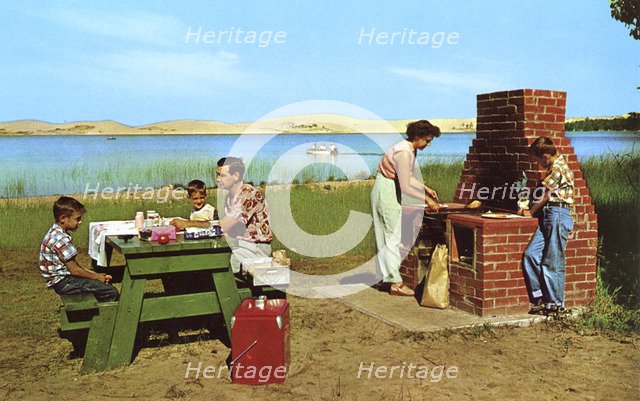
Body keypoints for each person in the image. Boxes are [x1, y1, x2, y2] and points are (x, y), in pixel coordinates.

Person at [371, 120, 441, 296]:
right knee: (392, 236)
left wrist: (425, 188)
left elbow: (407, 176)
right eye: (427, 140)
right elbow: (406, 186)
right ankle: (396, 284)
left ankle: (387, 277)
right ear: (417, 137)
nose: (428, 144)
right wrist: (427, 200)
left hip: (388, 188)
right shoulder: (403, 152)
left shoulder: (409, 149)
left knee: (389, 235)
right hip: (386, 189)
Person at [519, 136, 574, 315]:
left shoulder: (558, 168)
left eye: (537, 160)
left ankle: (556, 304)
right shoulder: (553, 167)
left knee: (552, 261)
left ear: (545, 156)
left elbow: (545, 196)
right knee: (530, 255)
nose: (538, 163)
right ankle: (541, 297)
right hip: (549, 216)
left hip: (557, 214)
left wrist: (530, 211)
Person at [39, 196, 118, 302]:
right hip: (64, 282)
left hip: (61, 280)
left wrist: (95, 275)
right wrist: (98, 277)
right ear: (63, 218)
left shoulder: (54, 232)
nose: (80, 222)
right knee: (110, 291)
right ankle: (95, 315)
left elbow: (73, 266)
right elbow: (75, 270)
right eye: (77, 219)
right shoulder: (62, 239)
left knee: (98, 281)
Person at [216, 157, 272, 273]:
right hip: (241, 244)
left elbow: (224, 226)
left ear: (236, 175)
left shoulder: (248, 194)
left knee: (219, 263)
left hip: (256, 249)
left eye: (221, 175)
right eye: (217, 175)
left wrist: (190, 224)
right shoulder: (230, 197)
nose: (217, 179)